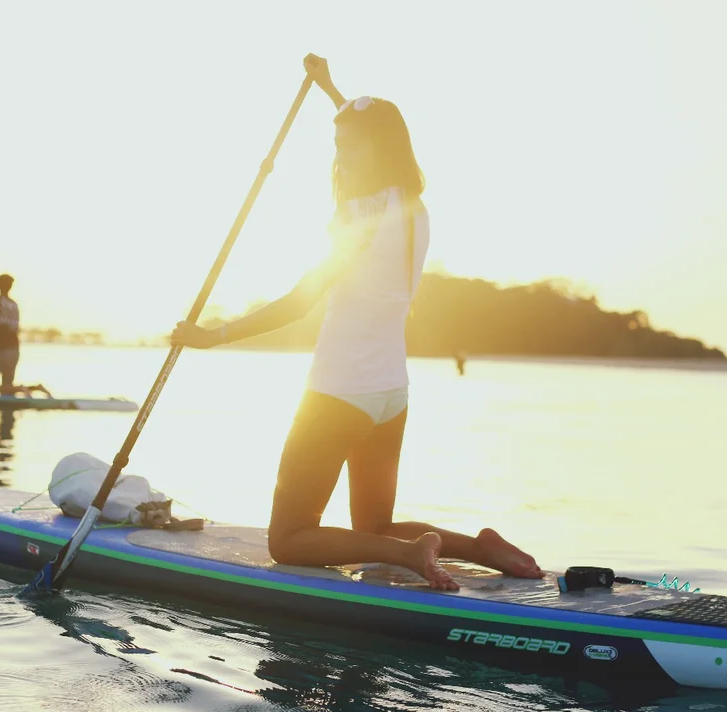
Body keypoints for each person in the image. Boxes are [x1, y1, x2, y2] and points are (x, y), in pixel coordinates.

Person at [171, 54, 541, 590]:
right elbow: (364, 120)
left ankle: (414, 554)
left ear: (377, 149)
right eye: (338, 144)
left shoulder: (356, 218)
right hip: (391, 392)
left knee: (290, 539)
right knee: (375, 525)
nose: (340, 155)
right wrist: (328, 88)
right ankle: (479, 548)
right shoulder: (413, 205)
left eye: (349, 146)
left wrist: (212, 336)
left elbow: (300, 302)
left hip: (338, 391)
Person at [0, 266, 51, 397]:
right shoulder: (14, 305)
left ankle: (21, 389)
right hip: (14, 350)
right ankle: (35, 387)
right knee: (7, 390)